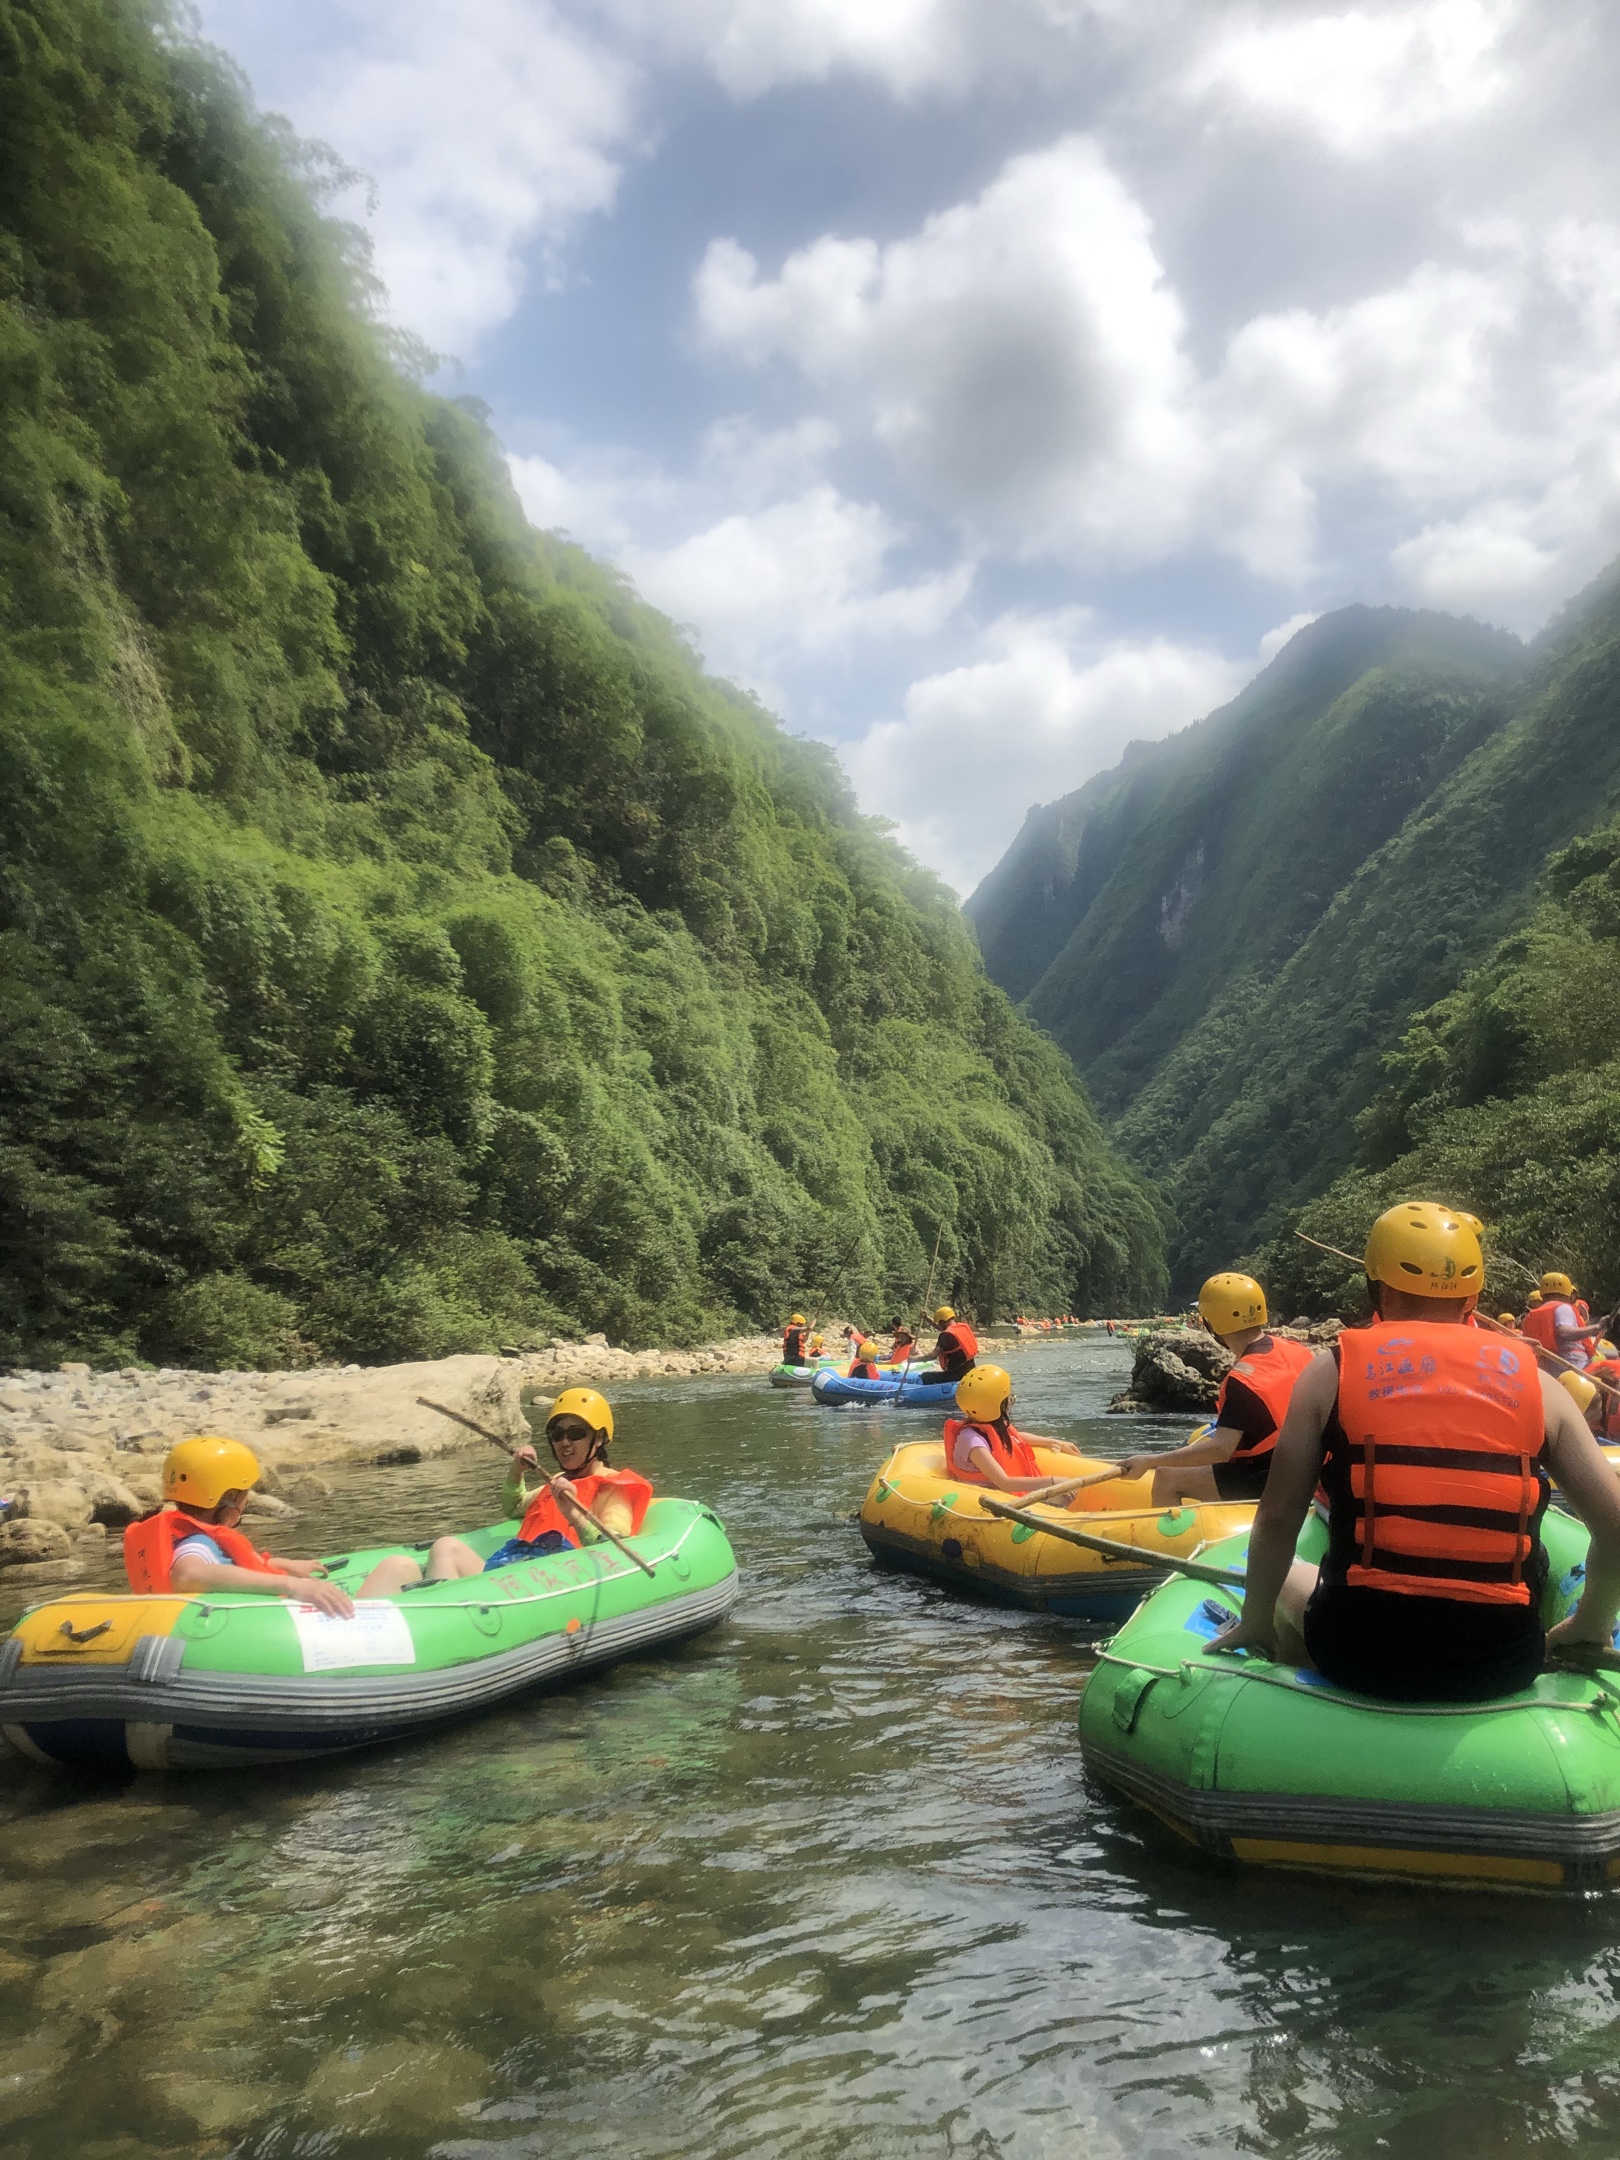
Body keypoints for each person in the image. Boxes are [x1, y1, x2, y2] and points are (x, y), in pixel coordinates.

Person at [1211, 1201, 1620, 1702]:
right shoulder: (1541, 1386)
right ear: (1474, 1295)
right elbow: (1616, 1522)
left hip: (1358, 1654)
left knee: (1297, 1574)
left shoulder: (1329, 1372)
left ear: (1378, 1285)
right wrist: (1592, 1623)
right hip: (1503, 1661)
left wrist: (1256, 1622)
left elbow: (1277, 1518)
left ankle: (1288, 1673)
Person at [361, 1389, 653, 1593]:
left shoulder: (613, 1488)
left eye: (576, 1434)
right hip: (518, 1572)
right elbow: (515, 1506)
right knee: (445, 1547)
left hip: (561, 1583)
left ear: (599, 1439)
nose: (565, 1443)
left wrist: (575, 1517)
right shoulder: (556, 1484)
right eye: (557, 1434)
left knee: (446, 1549)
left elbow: (616, 1549)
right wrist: (517, 1471)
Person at [1117, 1273, 1313, 1504]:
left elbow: (1221, 1450)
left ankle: (1171, 1539)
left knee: (1166, 1476)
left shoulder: (1242, 1380)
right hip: (1311, 1467)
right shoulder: (1296, 1350)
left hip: (1272, 1477)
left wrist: (1151, 1460)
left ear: (1212, 1323)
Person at [124, 1437, 355, 1614]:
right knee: (393, 1566)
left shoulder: (189, 1537)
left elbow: (223, 1565)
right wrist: (292, 1585)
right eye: (245, 1494)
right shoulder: (197, 1543)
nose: (246, 1502)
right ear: (228, 1498)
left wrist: (281, 1564)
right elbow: (187, 1574)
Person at [942, 1364, 1083, 1496]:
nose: (1010, 1399)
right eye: (1007, 1398)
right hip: (986, 1498)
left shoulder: (989, 1425)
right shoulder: (971, 1441)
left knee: (1064, 1497)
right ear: (996, 1404)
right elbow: (1004, 1483)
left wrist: (1056, 1442)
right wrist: (1053, 1482)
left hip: (1003, 1495)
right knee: (1063, 1496)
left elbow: (1015, 1436)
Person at [1521, 1272, 1607, 1370]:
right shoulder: (1562, 1307)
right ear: (1567, 1292)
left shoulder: (1529, 1317)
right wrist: (1597, 1327)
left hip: (1544, 1368)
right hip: (1574, 1364)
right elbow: (1564, 1332)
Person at [916, 1304, 978, 1387]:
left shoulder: (945, 1335)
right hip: (971, 1371)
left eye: (939, 1322)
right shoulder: (962, 1327)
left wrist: (913, 1359)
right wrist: (926, 1318)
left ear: (942, 1322)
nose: (939, 1324)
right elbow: (941, 1328)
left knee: (925, 1376)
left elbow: (933, 1356)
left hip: (956, 1376)